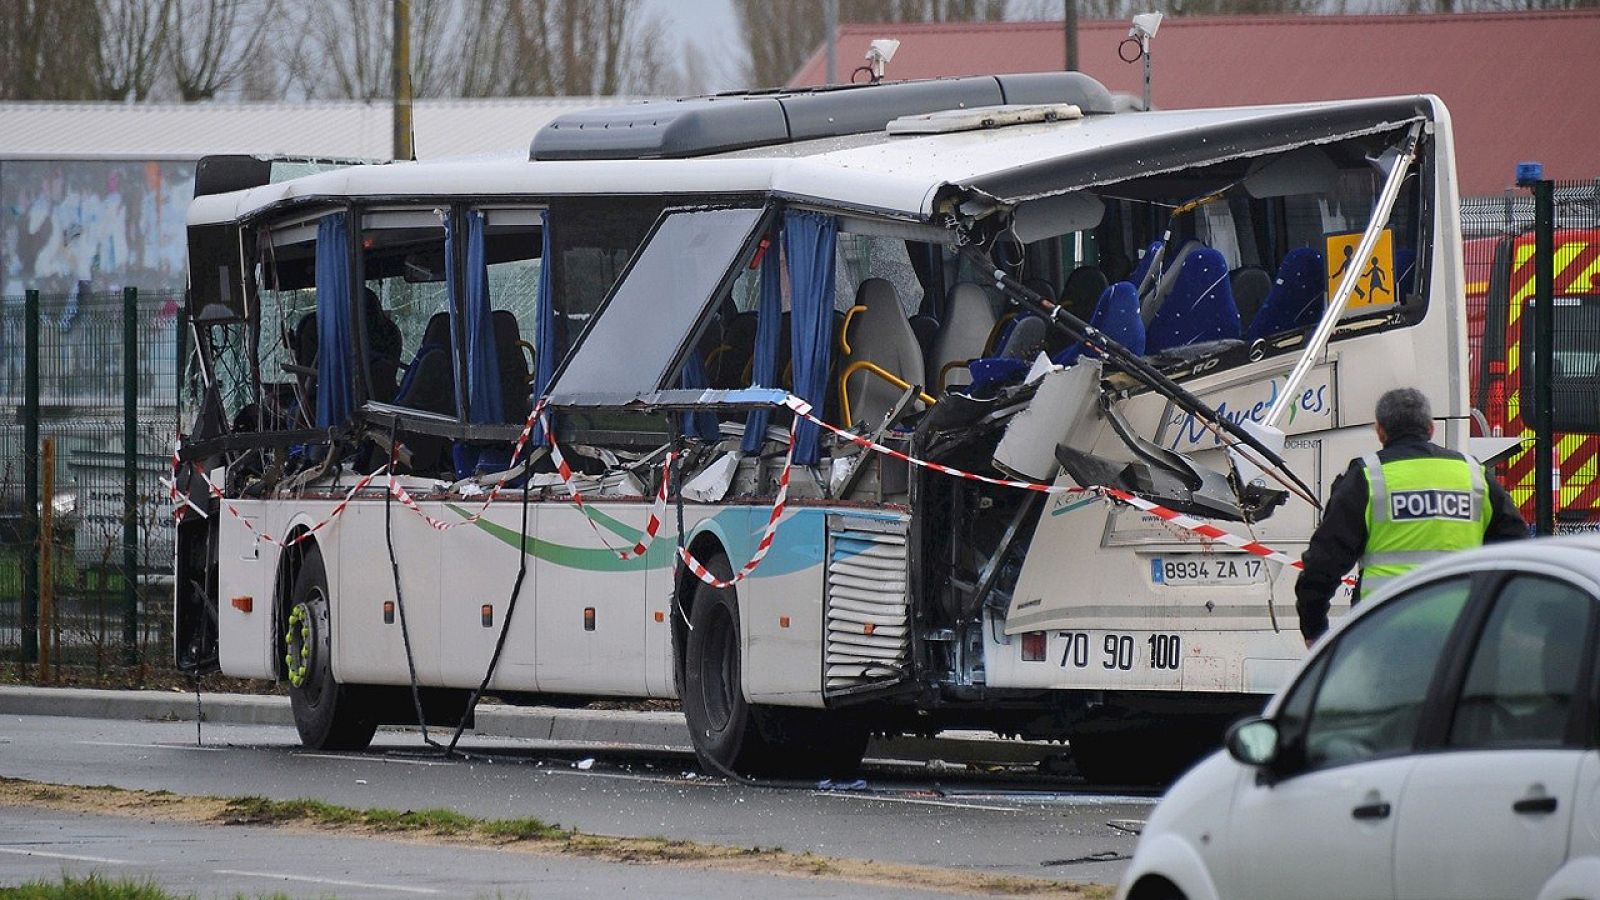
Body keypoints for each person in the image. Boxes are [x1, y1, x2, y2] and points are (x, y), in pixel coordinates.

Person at [1295, 387, 1525, 646]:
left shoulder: (1368, 477)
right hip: (1462, 626)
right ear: (1431, 428)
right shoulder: (1473, 474)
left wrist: (1314, 628)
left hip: (1382, 626)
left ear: (1380, 430)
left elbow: (1324, 562)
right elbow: (1514, 544)